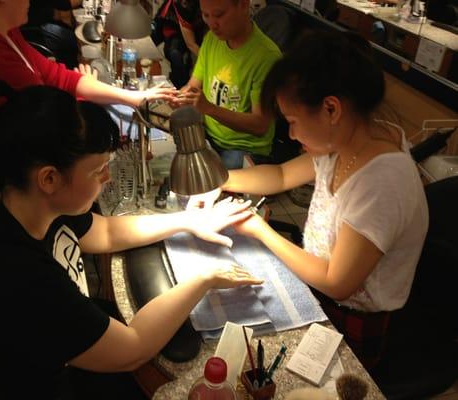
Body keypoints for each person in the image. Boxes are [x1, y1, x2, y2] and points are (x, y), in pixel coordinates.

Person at [0, 81, 262, 399]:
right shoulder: (16, 274)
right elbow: (133, 347)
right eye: (98, 169)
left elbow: (106, 232)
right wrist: (203, 280)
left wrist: (189, 221)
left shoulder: (22, 200)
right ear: (50, 178)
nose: (107, 177)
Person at [219, 31, 429, 369]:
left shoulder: (382, 181)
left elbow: (338, 283)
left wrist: (260, 230)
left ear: (331, 108)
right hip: (320, 289)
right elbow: (282, 176)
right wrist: (218, 179)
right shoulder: (348, 137)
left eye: (292, 122)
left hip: (353, 318)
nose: (290, 135)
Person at [0, 0, 177, 204]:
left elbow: (57, 77)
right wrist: (77, 97)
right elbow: (52, 123)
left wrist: (133, 97)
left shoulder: (2, 32)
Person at [177, 0, 281, 169]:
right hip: (209, 135)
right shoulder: (211, 39)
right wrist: (182, 96)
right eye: (206, 15)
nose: (212, 24)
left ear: (243, 5)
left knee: (212, 181)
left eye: (219, 15)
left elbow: (260, 125)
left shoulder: (267, 56)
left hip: (244, 148)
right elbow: (193, 85)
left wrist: (209, 108)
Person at [151, 0, 207, 88]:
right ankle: (178, 88)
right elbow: (191, 44)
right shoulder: (183, 4)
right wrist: (210, 63)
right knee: (175, 54)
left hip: (194, 25)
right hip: (172, 27)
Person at [21, 0, 83, 69]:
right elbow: (66, 4)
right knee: (74, 41)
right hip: (34, 26)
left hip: (42, 20)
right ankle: (71, 68)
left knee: (72, 31)